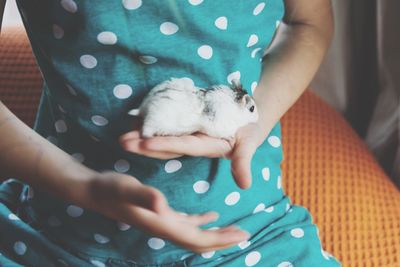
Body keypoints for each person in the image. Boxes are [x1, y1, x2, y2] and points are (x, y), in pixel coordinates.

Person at [0, 0, 341, 266]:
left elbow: (310, 24)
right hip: (54, 236)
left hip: (251, 235)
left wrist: (249, 127)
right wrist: (81, 185)